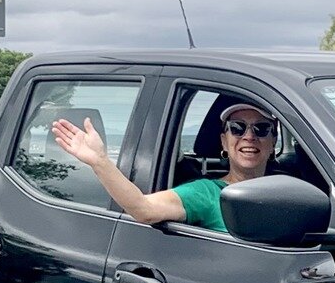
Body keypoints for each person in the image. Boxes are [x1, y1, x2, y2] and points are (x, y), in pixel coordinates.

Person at [52, 100, 277, 233]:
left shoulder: (295, 191)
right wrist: (99, 161)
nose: (249, 136)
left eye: (261, 129)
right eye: (237, 128)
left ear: (274, 141)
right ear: (223, 142)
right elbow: (143, 209)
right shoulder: (206, 193)